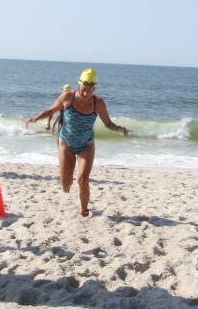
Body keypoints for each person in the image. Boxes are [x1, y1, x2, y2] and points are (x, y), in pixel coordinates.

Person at [25, 69, 128, 217]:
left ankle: (84, 210)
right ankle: (66, 183)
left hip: (86, 144)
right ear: (78, 85)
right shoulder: (68, 97)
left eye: (90, 90)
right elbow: (50, 110)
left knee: (83, 180)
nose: (86, 93)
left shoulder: (98, 102)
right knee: (66, 184)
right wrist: (35, 119)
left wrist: (119, 129)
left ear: (94, 89)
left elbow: (108, 123)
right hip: (66, 143)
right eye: (84, 88)